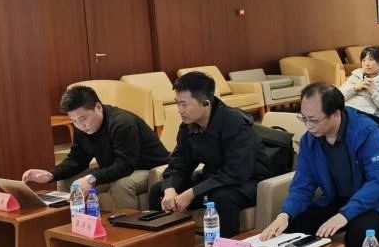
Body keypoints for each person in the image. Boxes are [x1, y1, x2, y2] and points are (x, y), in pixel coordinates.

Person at [260, 83, 379, 247]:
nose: (308, 125)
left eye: (313, 120)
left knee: (359, 234)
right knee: (295, 226)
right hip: (339, 198)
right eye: (303, 118)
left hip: (377, 201)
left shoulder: (366, 131)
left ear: (335, 114)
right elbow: (302, 185)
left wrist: (344, 215)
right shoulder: (310, 140)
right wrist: (285, 214)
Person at [150, 71, 271, 237]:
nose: (180, 110)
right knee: (158, 190)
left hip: (248, 180)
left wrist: (192, 193)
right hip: (215, 179)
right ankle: (165, 244)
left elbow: (235, 172)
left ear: (206, 103)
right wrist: (170, 188)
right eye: (177, 103)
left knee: (222, 198)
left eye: (184, 105)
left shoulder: (235, 123)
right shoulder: (188, 126)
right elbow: (179, 163)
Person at [23, 85, 169, 210]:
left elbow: (125, 166)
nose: (80, 125)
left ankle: (127, 231)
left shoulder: (122, 123)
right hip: (115, 168)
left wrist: (91, 179)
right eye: (74, 121)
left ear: (98, 107)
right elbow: (77, 160)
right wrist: (51, 174)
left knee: (122, 185)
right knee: (67, 181)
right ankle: (74, 225)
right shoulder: (81, 128)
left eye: (83, 118)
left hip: (149, 168)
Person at [341, 46, 379, 115]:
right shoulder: (356, 75)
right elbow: (338, 97)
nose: (367, 64)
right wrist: (354, 88)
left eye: (371, 60)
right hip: (344, 109)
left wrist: (373, 91)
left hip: (365, 113)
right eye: (364, 60)